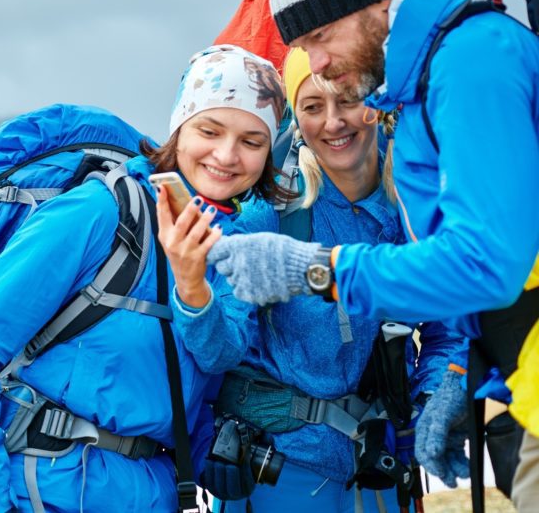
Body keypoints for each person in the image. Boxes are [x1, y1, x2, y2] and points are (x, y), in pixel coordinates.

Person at [204, 0, 539, 508]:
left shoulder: (469, 61)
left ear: (372, 4)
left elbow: (489, 262)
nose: (319, 62)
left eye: (320, 36)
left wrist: (317, 270)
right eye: (303, 49)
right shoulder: (423, 88)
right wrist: (458, 376)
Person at [0, 44, 287, 513]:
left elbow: (211, 360)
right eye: (209, 130)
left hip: (153, 493)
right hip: (50, 489)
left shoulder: (232, 243)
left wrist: (211, 456)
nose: (226, 155)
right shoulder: (99, 213)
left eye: (252, 142)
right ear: (179, 129)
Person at [160, 46, 463, 512]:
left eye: (347, 98)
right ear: (295, 119)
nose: (333, 122)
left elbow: (450, 325)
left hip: (381, 469)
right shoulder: (272, 212)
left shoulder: (414, 202)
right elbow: (220, 348)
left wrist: (439, 394)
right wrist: (195, 293)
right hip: (281, 473)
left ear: (377, 103)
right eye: (312, 107)